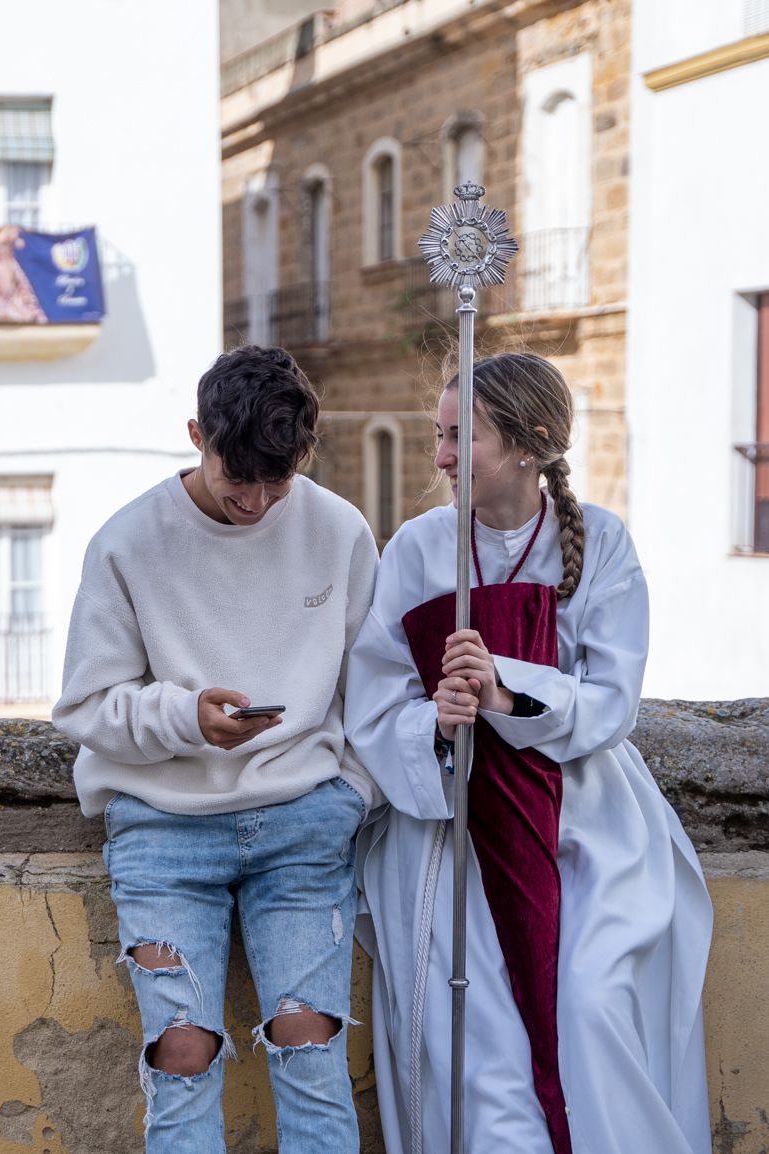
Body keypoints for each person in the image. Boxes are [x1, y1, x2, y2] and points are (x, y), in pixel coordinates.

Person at [344, 352, 711, 1154]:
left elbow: (612, 700)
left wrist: (506, 691)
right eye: (435, 436)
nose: (437, 458)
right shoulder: (415, 548)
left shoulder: (602, 544)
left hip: (582, 818)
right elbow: (371, 698)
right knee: (478, 1040)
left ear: (527, 443)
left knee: (587, 1005)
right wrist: (434, 722)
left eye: (457, 437)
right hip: (452, 825)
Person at [53, 345, 378, 1153]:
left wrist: (352, 794)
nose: (260, 503)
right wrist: (184, 718)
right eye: (242, 481)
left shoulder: (338, 529)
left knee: (311, 1050)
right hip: (163, 835)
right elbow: (85, 706)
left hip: (302, 826)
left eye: (281, 481)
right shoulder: (126, 542)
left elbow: (376, 684)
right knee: (182, 1053)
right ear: (196, 434)